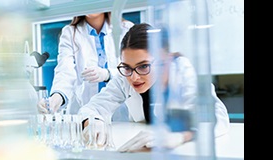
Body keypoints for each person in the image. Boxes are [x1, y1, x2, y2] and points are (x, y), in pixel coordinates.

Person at [77, 23, 230, 152]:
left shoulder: (182, 71)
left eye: (143, 66)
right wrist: (93, 122)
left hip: (184, 152)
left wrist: (179, 136)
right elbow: (92, 108)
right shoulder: (125, 76)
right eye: (127, 67)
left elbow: (217, 118)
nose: (134, 77)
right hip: (145, 150)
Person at [37, 12, 134, 122]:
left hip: (120, 114)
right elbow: (65, 71)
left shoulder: (126, 29)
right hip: (83, 114)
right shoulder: (70, 32)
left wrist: (108, 74)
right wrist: (56, 98)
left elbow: (133, 69)